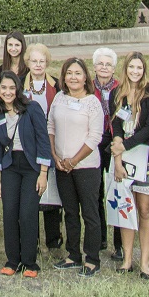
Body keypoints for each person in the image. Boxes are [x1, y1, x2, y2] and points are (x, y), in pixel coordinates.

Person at [0, 71, 52, 278]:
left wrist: (43, 173)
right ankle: (12, 260)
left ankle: (30, 262)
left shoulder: (32, 108)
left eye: (11, 88)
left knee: (27, 213)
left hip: (31, 167)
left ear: (18, 89)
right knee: (9, 212)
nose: (7, 92)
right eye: (3, 88)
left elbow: (44, 141)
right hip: (9, 167)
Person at [48, 57, 104, 277]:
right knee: (70, 212)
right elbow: (50, 126)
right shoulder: (60, 98)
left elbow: (95, 136)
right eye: (69, 73)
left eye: (77, 73)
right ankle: (73, 255)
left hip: (86, 167)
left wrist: (74, 160)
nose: (73, 77)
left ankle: (92, 258)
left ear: (85, 77)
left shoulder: (92, 102)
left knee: (90, 213)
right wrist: (55, 155)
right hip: (62, 166)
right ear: (64, 77)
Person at [109, 52, 149, 279]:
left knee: (144, 210)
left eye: (139, 68)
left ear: (144, 69)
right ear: (126, 68)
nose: (135, 71)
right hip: (125, 159)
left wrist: (125, 145)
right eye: (132, 67)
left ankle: (145, 263)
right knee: (126, 208)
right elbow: (117, 127)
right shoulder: (117, 93)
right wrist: (119, 152)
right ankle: (127, 259)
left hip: (147, 158)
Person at [24, 43, 63, 252]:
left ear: (47, 63)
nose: (38, 65)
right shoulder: (20, 85)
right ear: (27, 63)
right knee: (32, 193)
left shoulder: (56, 85)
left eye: (41, 61)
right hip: (28, 146)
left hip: (50, 143)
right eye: (34, 61)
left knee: (53, 190)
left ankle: (53, 238)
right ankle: (33, 240)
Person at [92, 47, 122, 259]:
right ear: (94, 66)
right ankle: (100, 236)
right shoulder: (87, 85)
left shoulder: (121, 88)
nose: (104, 68)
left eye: (108, 64)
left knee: (116, 191)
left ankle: (119, 243)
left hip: (115, 141)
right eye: (100, 64)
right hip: (93, 141)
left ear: (114, 68)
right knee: (96, 190)